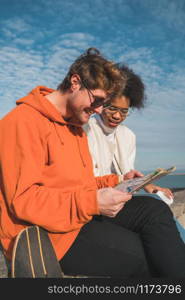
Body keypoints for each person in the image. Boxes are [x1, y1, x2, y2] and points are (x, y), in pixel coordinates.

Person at [0, 48, 185, 278]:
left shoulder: (75, 127)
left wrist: (118, 180)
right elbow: (23, 201)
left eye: (103, 103)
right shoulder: (22, 122)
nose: (99, 110)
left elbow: (81, 183)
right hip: (48, 235)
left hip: (77, 215)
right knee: (143, 256)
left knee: (154, 210)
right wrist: (91, 202)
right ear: (75, 82)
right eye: (97, 100)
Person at [84, 63, 185, 242]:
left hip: (121, 200)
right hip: (97, 204)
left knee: (165, 218)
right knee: (159, 217)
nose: (117, 116)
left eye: (124, 111)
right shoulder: (86, 129)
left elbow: (128, 172)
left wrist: (150, 186)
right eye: (112, 108)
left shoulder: (128, 135)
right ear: (101, 103)